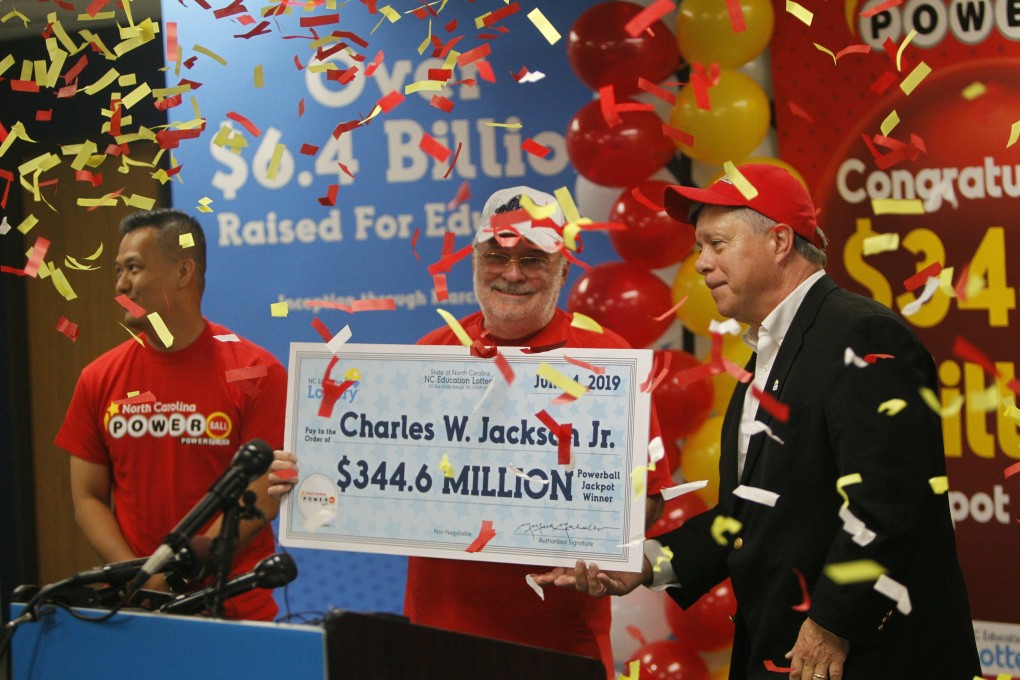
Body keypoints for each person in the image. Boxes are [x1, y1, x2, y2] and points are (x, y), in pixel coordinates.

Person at [535, 165, 980, 680]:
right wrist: (646, 561)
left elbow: (891, 502)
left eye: (716, 244)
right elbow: (755, 515)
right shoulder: (769, 351)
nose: (701, 264)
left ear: (779, 242)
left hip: (869, 658)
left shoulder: (863, 336)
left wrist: (833, 623)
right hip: (787, 653)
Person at [269, 186, 671, 677]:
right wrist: (307, 473)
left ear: (563, 269)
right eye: (495, 256)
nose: (512, 273)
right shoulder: (431, 353)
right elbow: (373, 471)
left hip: (559, 646)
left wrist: (615, 539)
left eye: (532, 258)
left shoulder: (607, 360)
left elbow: (648, 495)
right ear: (474, 262)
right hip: (438, 637)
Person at [56, 208, 287, 620]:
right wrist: (143, 579)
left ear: (183, 272)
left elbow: (263, 498)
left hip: (235, 611)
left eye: (133, 268)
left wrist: (176, 577)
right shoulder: (98, 378)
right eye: (118, 271)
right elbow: (87, 498)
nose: (121, 285)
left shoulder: (258, 372)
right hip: (135, 610)